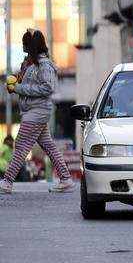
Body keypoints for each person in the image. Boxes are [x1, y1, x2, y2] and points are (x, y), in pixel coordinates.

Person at [0, 29, 74, 194]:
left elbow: (47, 88)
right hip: (36, 110)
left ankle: (7, 181)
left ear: (31, 45)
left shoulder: (44, 65)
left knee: (20, 145)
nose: (23, 46)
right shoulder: (34, 63)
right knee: (49, 146)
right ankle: (66, 178)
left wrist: (19, 88)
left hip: (37, 111)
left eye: (25, 43)